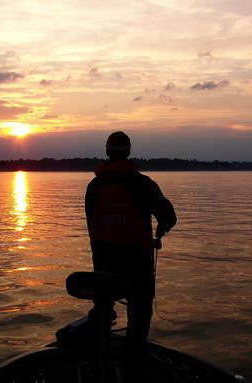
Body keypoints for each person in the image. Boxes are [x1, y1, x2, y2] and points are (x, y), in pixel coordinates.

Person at [85, 131, 176, 362]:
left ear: (107, 152)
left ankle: (99, 355)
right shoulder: (143, 185)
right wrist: (160, 230)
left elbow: (93, 227)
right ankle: (134, 360)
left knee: (103, 307)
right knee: (140, 310)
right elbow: (169, 216)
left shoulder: (93, 188)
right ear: (128, 152)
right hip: (137, 268)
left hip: (103, 268)